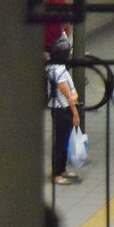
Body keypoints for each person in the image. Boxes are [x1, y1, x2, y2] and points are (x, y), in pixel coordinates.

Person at [46, 37, 80, 186]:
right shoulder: (58, 71)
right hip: (63, 109)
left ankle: (62, 169)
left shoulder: (51, 67)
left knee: (63, 141)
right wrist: (76, 114)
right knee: (60, 142)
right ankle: (57, 174)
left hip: (60, 108)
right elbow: (69, 96)